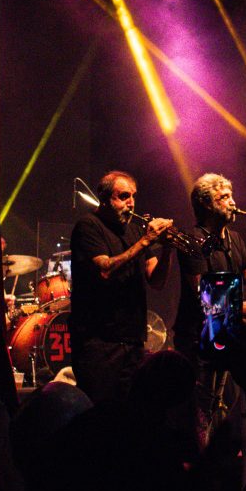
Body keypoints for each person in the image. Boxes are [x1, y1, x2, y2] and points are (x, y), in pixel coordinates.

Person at [174, 173, 246, 420]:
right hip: (198, 336)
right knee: (200, 409)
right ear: (206, 204)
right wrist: (239, 308)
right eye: (223, 197)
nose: (232, 202)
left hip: (226, 331)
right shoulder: (192, 240)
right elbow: (201, 292)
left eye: (231, 195)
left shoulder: (234, 238)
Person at [69, 170, 174, 404]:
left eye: (133, 196)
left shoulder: (135, 230)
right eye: (124, 196)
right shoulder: (88, 226)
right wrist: (145, 241)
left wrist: (168, 249)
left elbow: (156, 281)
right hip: (99, 342)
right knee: (100, 412)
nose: (131, 203)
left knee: (131, 413)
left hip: (133, 340)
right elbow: (104, 270)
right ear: (105, 199)